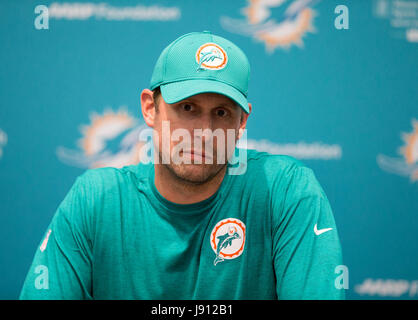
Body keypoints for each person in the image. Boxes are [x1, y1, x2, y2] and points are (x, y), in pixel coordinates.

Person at [19, 31, 344, 300]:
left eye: (221, 113)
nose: (203, 133)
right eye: (187, 107)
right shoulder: (97, 199)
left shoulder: (285, 190)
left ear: (242, 121)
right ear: (150, 108)